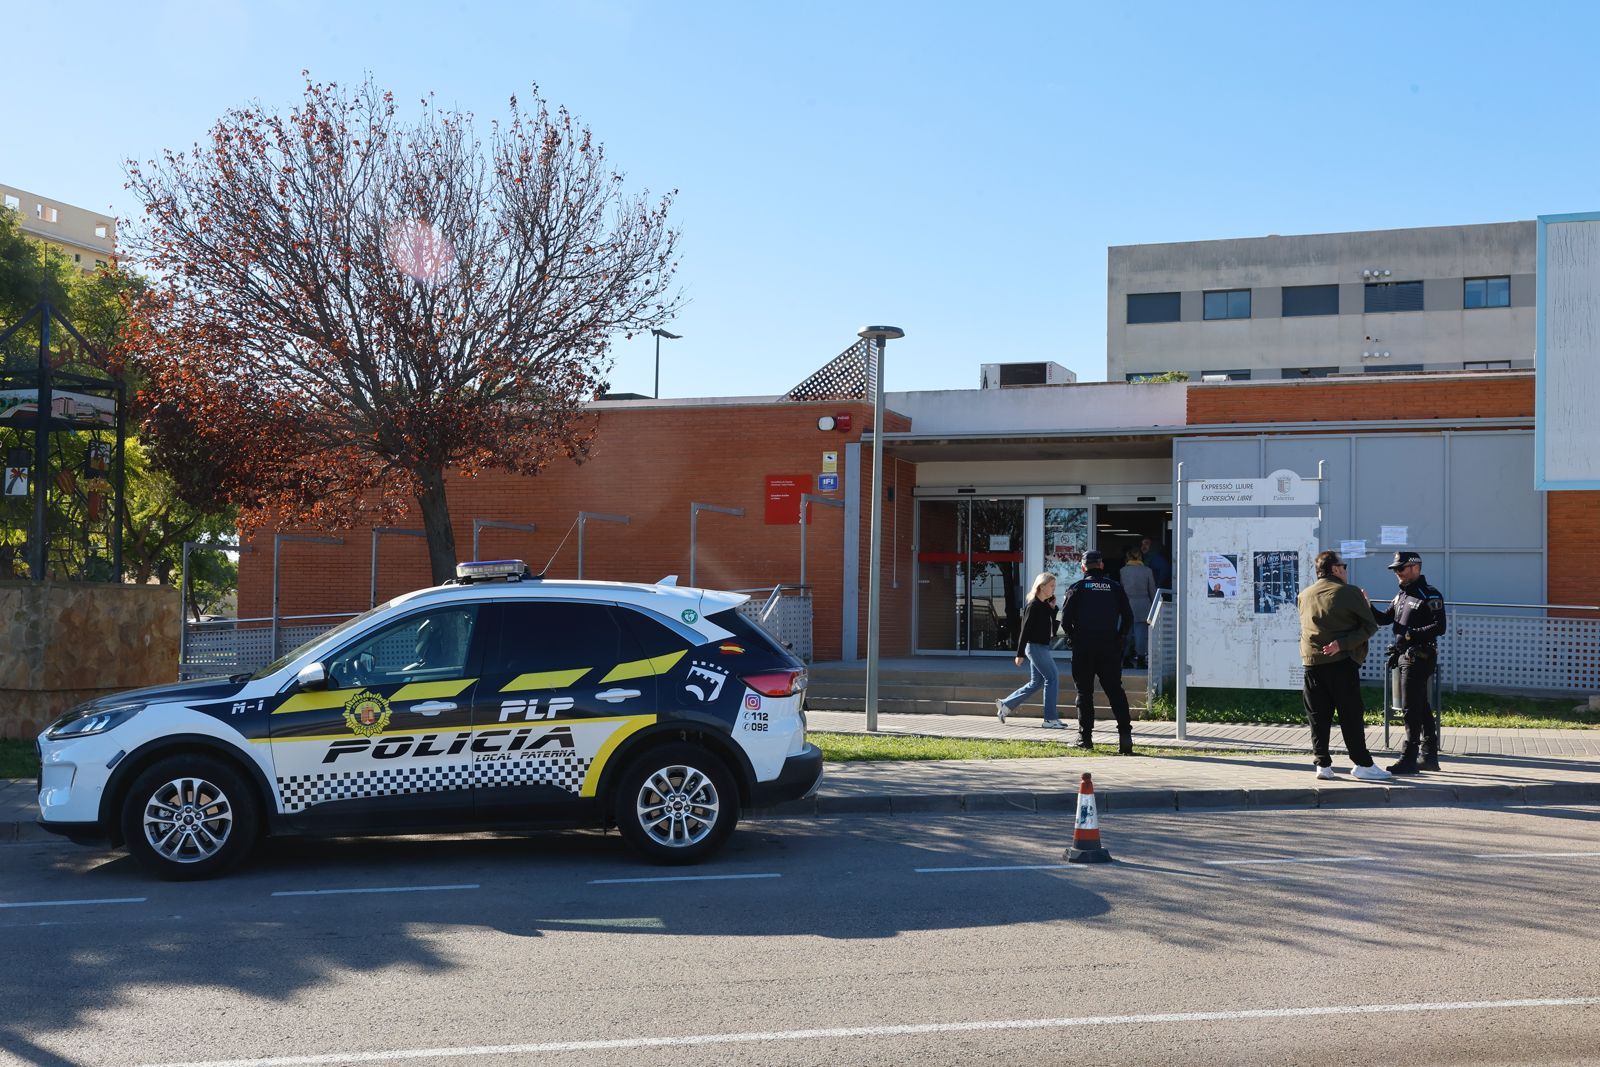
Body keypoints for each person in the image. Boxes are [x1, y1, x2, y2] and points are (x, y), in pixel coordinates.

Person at [1297, 550, 1393, 782]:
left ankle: (1323, 765)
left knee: (1318, 716)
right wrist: (1342, 644)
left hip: (1312, 664)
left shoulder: (1304, 595)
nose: (1346, 570)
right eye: (1344, 566)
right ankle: (1362, 764)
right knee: (1350, 715)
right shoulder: (1349, 592)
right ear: (1335, 569)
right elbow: (1370, 626)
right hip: (1341, 664)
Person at [1371, 551, 1448, 774]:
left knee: (1410, 708)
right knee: (1421, 706)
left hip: (1420, 656)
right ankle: (1429, 757)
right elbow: (1385, 619)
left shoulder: (1429, 594)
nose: (1397, 573)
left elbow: (1439, 627)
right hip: (1406, 657)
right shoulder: (1401, 596)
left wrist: (1409, 635)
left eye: (1401, 568)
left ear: (1415, 567)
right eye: (1395, 569)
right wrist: (1367, 606)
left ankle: (1409, 758)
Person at [1061, 550, 1135, 753]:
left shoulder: (1077, 588)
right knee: (1115, 691)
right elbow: (1128, 617)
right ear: (1101, 566)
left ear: (1083, 567)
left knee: (1084, 693)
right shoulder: (1115, 588)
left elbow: (1065, 621)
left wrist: (1074, 637)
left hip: (1083, 646)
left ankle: (1085, 738)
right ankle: (1125, 739)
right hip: (1109, 646)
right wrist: (1120, 638)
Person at [996, 572, 1065, 728]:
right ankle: (1050, 719)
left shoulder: (1045, 606)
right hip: (1035, 647)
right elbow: (1025, 630)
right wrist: (1019, 653)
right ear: (1042, 586)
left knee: (1036, 682)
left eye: (1054, 586)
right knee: (1052, 677)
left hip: (1043, 647)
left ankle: (1005, 705)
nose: (1054, 588)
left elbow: (1052, 631)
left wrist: (1053, 610)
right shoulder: (1033, 606)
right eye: (1051, 585)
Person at [1120, 549, 1157, 669]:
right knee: (1141, 634)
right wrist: (1154, 605)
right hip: (1143, 604)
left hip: (1127, 603)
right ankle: (1141, 659)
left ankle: (1125, 659)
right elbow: (1152, 589)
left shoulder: (1123, 571)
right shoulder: (1147, 571)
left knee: (1127, 633)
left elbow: (1121, 588)